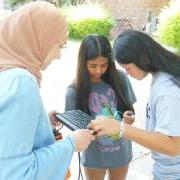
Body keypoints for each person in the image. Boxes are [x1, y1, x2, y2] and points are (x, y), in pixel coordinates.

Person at [0, 1, 95, 180]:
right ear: (38, 38)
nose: (59, 55)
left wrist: (39, 120)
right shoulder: (21, 81)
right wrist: (71, 143)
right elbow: (15, 173)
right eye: (60, 45)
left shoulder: (5, 69)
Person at [89, 30, 180, 180]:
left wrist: (121, 128)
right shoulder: (162, 77)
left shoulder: (167, 89)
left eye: (128, 68)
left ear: (142, 59)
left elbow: (173, 146)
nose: (128, 73)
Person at [64, 34, 136, 180]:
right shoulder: (74, 90)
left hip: (121, 152)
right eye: (93, 66)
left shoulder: (120, 78)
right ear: (83, 63)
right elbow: (75, 131)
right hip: (94, 157)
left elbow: (130, 111)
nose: (98, 71)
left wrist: (129, 118)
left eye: (104, 65)